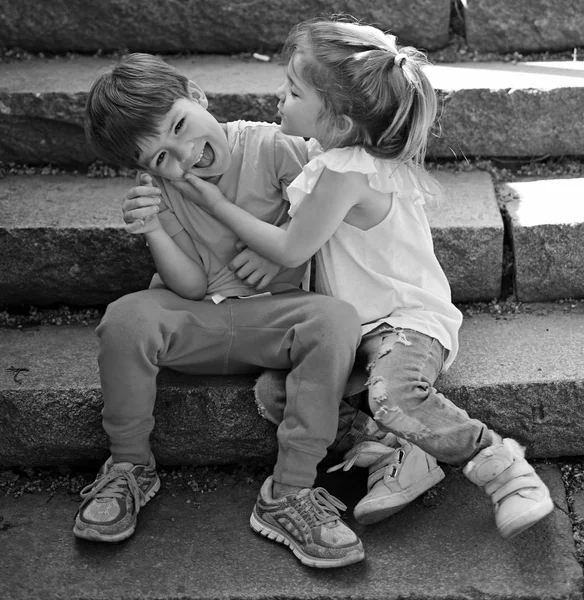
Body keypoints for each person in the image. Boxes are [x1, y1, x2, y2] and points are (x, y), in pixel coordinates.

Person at [176, 16, 555, 540]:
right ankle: (399, 450)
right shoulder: (330, 157)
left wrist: (215, 203)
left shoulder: (347, 172)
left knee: (391, 394)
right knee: (275, 394)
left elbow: (292, 244)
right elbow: (301, 228)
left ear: (338, 120)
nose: (279, 100)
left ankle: (502, 467)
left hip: (404, 322)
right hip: (350, 328)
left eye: (292, 91)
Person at [73, 51, 436, 570]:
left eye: (180, 126)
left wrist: (286, 246)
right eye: (159, 157)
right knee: (126, 317)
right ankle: (129, 465)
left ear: (197, 95)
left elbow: (324, 207)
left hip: (280, 319)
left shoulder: (272, 146)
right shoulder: (164, 190)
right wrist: (152, 228)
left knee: (335, 320)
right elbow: (192, 285)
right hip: (198, 319)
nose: (184, 156)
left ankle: (288, 493)